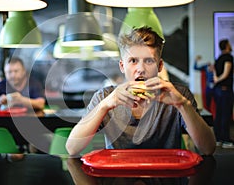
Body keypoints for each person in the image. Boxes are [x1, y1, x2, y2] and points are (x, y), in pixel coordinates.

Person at [66, 26, 215, 156]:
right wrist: (105, 105)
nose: (141, 69)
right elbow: (72, 148)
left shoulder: (179, 95)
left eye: (149, 61)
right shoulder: (104, 97)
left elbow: (208, 149)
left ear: (160, 66)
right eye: (133, 61)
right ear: (122, 66)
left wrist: (182, 104)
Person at [213, 39, 233, 148]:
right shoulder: (228, 57)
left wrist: (216, 79)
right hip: (225, 90)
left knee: (219, 114)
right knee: (226, 114)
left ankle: (218, 139)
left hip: (217, 90)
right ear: (226, 46)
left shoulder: (219, 58)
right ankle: (226, 140)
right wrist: (219, 79)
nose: (230, 46)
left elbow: (215, 72)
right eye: (229, 44)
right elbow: (226, 73)